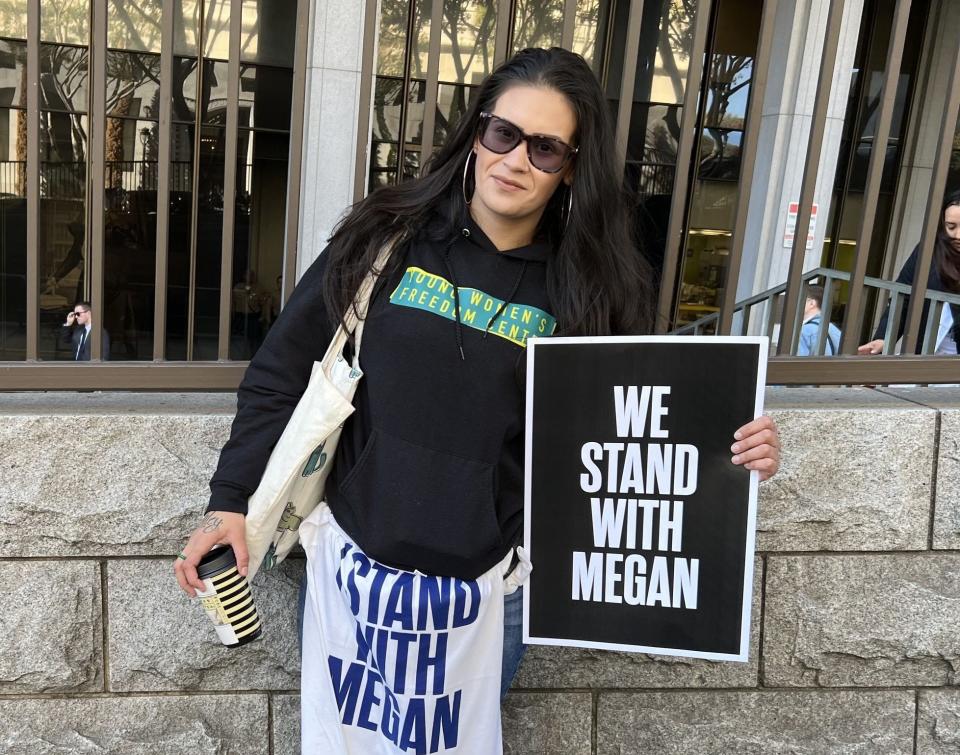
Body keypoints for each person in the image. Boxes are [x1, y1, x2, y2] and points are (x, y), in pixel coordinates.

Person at [174, 47, 781, 748]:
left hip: (493, 599)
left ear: (572, 165)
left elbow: (642, 428)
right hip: (351, 582)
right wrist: (229, 500)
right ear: (477, 132)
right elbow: (281, 369)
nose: (515, 159)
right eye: (503, 133)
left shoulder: (594, 288)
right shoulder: (386, 237)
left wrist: (735, 448)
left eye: (546, 148)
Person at [859, 190, 960, 356]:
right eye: (951, 227)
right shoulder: (928, 250)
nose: (957, 235)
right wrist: (884, 338)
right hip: (925, 353)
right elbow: (903, 296)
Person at [797, 283, 841, 356]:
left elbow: (796, 365)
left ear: (812, 303)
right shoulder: (835, 330)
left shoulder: (804, 331)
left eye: (800, 299)